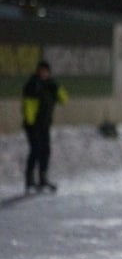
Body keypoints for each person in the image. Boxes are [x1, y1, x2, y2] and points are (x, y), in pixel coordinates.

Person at [21, 61, 68, 194]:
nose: (44, 73)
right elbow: (27, 104)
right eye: (41, 71)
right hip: (33, 124)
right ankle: (29, 180)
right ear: (38, 71)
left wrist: (58, 88)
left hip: (45, 124)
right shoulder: (32, 84)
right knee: (35, 149)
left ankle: (43, 178)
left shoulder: (51, 85)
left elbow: (64, 99)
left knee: (45, 151)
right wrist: (30, 122)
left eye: (46, 71)